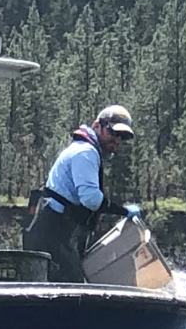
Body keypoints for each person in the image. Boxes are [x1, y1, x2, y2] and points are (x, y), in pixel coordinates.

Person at [22, 105, 134, 283]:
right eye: (113, 132)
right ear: (97, 126)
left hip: (56, 228)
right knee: (71, 287)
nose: (118, 140)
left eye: (123, 136)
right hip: (52, 230)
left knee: (67, 285)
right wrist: (123, 211)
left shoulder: (87, 151)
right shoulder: (86, 153)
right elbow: (91, 200)